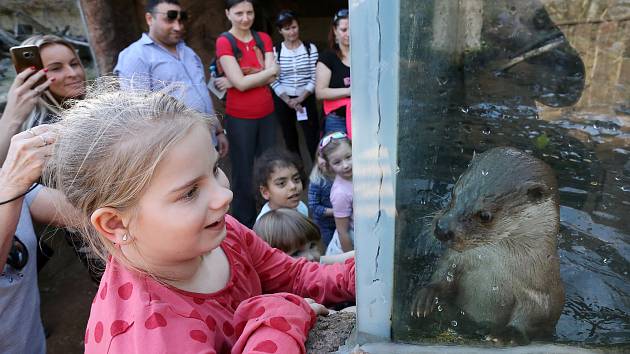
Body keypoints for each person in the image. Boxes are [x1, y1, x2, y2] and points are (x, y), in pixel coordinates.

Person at [44, 88, 355, 353]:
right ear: (115, 224)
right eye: (190, 192)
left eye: (215, 169)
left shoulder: (222, 232)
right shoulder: (154, 338)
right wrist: (277, 317)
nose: (224, 196)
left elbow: (296, 276)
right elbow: (283, 302)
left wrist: (361, 272)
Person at [114, 0, 228, 157]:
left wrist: (219, 131)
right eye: (169, 19)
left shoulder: (189, 52)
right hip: (177, 151)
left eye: (181, 19)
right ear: (149, 19)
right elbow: (138, 113)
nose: (178, 26)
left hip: (208, 142)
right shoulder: (136, 56)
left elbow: (202, 93)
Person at [0, 125, 77, 354]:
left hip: (29, 344)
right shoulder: (9, 183)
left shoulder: (5, 177)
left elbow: (77, 214)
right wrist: (11, 187)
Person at [214, 0, 279, 228]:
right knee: (243, 172)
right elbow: (241, 84)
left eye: (249, 12)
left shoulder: (263, 38)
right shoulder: (225, 41)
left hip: (267, 113)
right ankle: (245, 225)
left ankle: (273, 220)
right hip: (240, 117)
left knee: (269, 166)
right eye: (239, 13)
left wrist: (240, 77)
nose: (245, 18)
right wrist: (252, 76)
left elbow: (274, 75)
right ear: (227, 13)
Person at [0, 34, 85, 163]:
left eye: (74, 64)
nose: (73, 74)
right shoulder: (40, 131)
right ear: (33, 75)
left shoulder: (95, 108)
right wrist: (12, 116)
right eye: (56, 68)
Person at [271, 10, 320, 159]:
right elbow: (272, 79)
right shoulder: (275, 51)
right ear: (280, 31)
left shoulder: (310, 49)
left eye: (294, 27)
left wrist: (299, 99)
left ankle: (318, 174)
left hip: (306, 98)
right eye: (287, 29)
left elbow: (315, 76)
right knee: (289, 138)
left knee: (312, 138)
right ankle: (298, 174)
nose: (291, 32)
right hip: (283, 100)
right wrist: (288, 100)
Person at [253, 208, 354, 265]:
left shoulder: (316, 263)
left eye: (312, 246)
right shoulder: (281, 296)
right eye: (296, 253)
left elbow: (348, 258)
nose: (310, 256)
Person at [315, 9, 351, 137]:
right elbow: (320, 92)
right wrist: (349, 91)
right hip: (336, 120)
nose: (349, 34)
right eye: (344, 30)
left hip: (363, 117)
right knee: (338, 155)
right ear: (335, 31)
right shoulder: (327, 57)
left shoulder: (364, 55)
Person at [319, 132, 353, 256]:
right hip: (351, 244)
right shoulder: (340, 193)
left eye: (349, 157)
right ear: (329, 166)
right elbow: (342, 231)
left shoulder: (363, 173)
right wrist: (352, 261)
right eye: (337, 162)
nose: (345, 165)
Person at [253, 148, 308, 222]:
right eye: (281, 183)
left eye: (296, 179)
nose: (293, 186)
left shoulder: (301, 208)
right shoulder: (265, 224)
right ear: (265, 192)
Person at [307, 146, 336, 248]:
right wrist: (336, 211)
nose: (322, 161)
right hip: (326, 225)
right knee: (331, 247)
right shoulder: (316, 180)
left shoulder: (342, 175)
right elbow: (314, 206)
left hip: (344, 219)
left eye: (326, 157)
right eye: (319, 155)